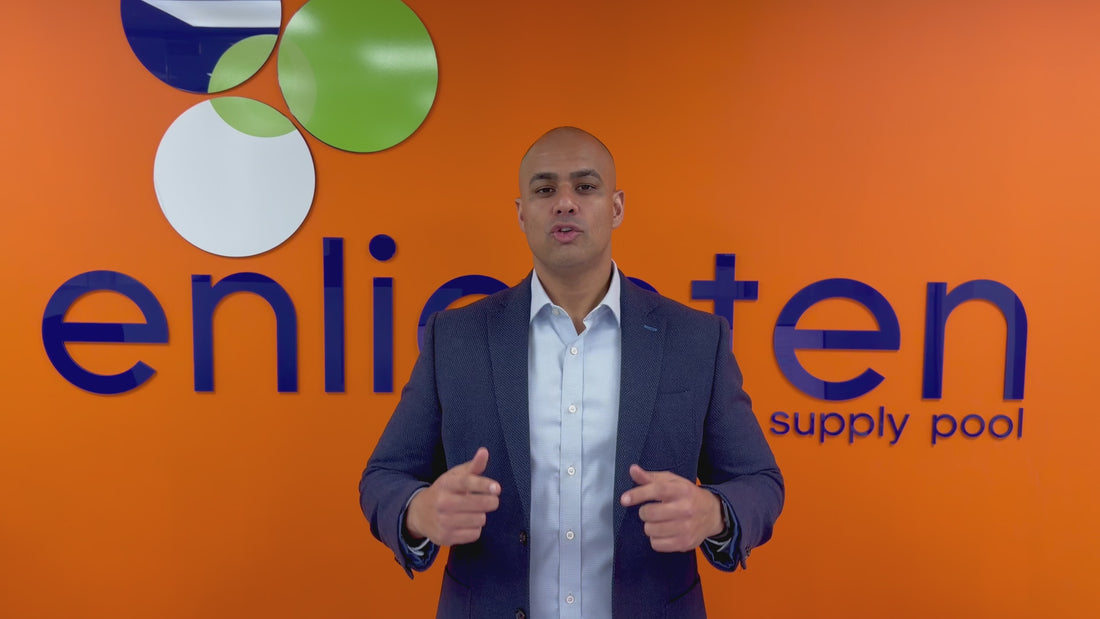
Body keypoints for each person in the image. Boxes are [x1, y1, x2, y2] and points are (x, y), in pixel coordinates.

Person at [360, 127, 783, 619]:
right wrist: (418, 511)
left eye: (585, 186)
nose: (565, 203)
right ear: (521, 213)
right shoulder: (455, 338)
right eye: (544, 190)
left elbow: (759, 481)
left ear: (616, 207)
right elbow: (384, 476)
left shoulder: (695, 339)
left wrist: (714, 513)